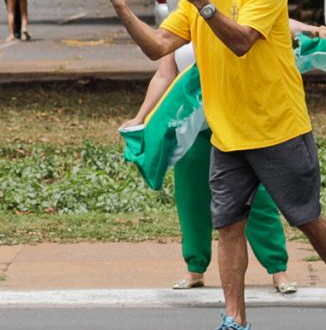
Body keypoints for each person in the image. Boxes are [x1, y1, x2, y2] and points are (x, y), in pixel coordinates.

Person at [106, 0, 326, 330]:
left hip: (277, 128)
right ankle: (236, 322)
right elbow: (158, 46)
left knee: (306, 218)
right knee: (228, 226)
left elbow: (241, 42)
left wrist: (204, 5)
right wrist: (122, 9)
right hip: (227, 135)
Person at [123, 43, 297, 293]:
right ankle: (195, 269)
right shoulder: (179, 23)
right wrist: (140, 117)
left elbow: (276, 21)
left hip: (235, 124)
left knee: (258, 198)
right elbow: (164, 75)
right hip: (192, 128)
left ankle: (278, 269)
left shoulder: (232, 13)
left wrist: (313, 30)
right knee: (192, 197)